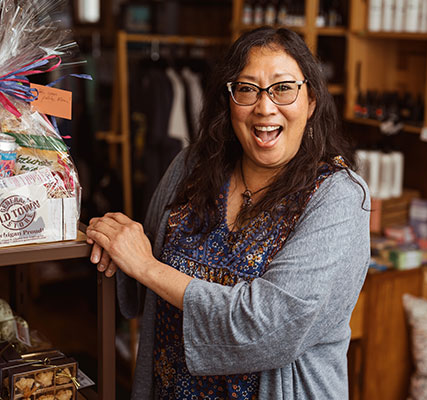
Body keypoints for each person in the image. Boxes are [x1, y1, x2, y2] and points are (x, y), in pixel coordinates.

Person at [86, 26, 370, 400]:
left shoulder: (338, 196)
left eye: (283, 88)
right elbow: (144, 269)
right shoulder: (189, 168)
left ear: (311, 100)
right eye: (247, 89)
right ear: (229, 99)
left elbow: (269, 326)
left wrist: (146, 267)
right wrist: (116, 242)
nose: (265, 107)